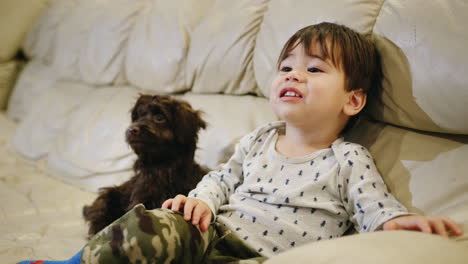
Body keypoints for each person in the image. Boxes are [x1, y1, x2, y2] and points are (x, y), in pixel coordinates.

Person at [18, 22, 462, 264]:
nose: (292, 74)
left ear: (354, 99)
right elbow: (220, 181)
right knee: (150, 227)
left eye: (314, 69)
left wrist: (396, 222)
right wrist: (203, 205)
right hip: (208, 234)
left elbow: (375, 205)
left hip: (264, 255)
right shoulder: (257, 140)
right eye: (286, 66)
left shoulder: (348, 159)